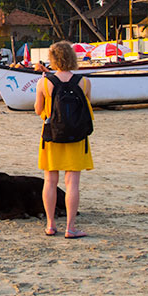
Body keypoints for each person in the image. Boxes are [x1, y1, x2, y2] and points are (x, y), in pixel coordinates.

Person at [35, 41, 93, 239]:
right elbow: (87, 109)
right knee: (72, 183)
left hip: (52, 136)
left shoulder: (44, 82)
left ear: (53, 59)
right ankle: (70, 227)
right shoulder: (84, 82)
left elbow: (37, 110)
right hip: (76, 137)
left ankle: (51, 225)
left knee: (50, 181)